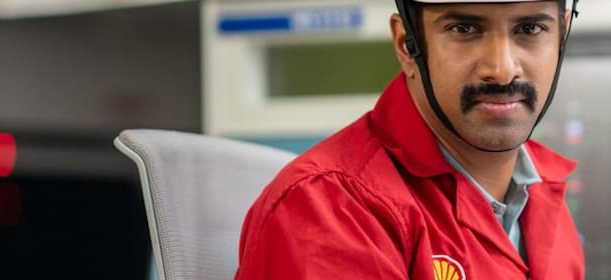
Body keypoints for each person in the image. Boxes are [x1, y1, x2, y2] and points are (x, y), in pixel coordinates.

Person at [234, 0, 582, 279]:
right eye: (464, 29)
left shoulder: (543, 193)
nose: (503, 70)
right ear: (406, 45)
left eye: (530, 29)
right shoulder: (330, 208)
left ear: (561, 37)